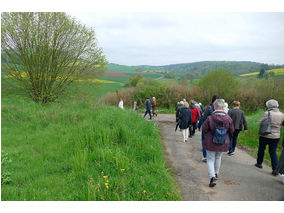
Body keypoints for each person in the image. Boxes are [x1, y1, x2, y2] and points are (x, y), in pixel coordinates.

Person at [202, 99, 234, 187]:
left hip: (210, 142)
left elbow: (204, 129)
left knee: (210, 159)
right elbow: (232, 130)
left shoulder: (210, 118)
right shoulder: (228, 118)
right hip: (223, 142)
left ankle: (212, 177)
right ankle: (216, 173)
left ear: (214, 107)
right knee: (218, 157)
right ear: (223, 107)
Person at [255, 99, 284, 176]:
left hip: (265, 135)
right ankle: (275, 169)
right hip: (276, 136)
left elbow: (260, 123)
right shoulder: (282, 114)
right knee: (273, 152)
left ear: (269, 105)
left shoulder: (267, 113)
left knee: (261, 149)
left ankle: (259, 163)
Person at [198, 94, 220, 162]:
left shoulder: (209, 108)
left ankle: (205, 156)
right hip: (216, 128)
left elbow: (203, 118)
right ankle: (212, 156)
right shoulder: (220, 108)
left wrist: (199, 125)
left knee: (204, 141)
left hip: (207, 127)